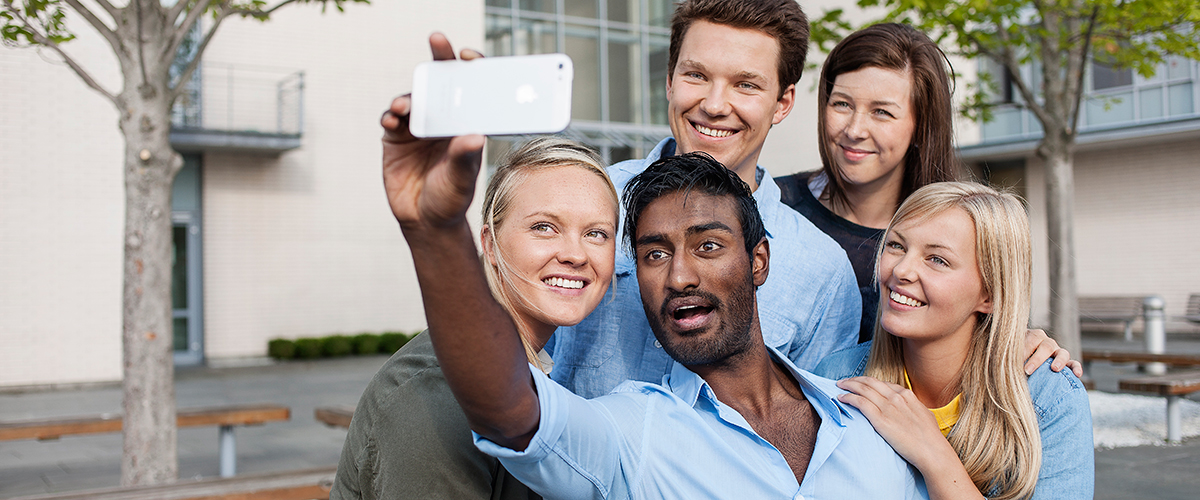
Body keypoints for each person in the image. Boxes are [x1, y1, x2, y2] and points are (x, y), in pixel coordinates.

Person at [383, 76, 928, 496]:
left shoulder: (870, 417)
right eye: (654, 254)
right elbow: (512, 412)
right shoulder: (636, 430)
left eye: (709, 246)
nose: (679, 276)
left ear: (758, 261)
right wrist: (435, 232)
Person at [551, 0, 863, 399]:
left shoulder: (823, 271)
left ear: (782, 103)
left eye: (745, 84)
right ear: (669, 80)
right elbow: (514, 342)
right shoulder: (588, 196)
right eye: (696, 75)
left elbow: (813, 427)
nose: (714, 106)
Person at [330, 134, 619, 499]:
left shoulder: (534, 374)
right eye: (544, 227)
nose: (575, 254)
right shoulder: (437, 394)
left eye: (596, 234)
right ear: (489, 243)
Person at [814, 182, 1094, 499]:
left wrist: (933, 454)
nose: (902, 270)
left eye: (937, 259)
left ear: (989, 294)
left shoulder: (1049, 397)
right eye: (896, 246)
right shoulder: (836, 377)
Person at [775, 23, 962, 342]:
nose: (855, 129)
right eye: (842, 104)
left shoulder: (962, 232)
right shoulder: (772, 206)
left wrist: (1024, 341)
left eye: (882, 112)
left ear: (921, 126)